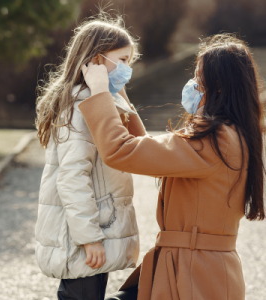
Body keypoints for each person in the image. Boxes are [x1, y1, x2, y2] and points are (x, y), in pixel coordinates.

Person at [79, 34, 265, 300]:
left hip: (194, 276)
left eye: (200, 80)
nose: (193, 85)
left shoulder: (215, 139)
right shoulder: (232, 134)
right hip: (195, 270)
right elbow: (149, 152)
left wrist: (99, 93)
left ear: (219, 86)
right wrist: (120, 95)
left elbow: (121, 151)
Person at [34, 16, 146, 300]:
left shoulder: (98, 102)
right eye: (122, 59)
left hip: (97, 228)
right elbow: (72, 177)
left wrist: (116, 91)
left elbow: (140, 147)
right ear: (97, 60)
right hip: (86, 236)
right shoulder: (82, 106)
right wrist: (90, 238)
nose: (127, 68)